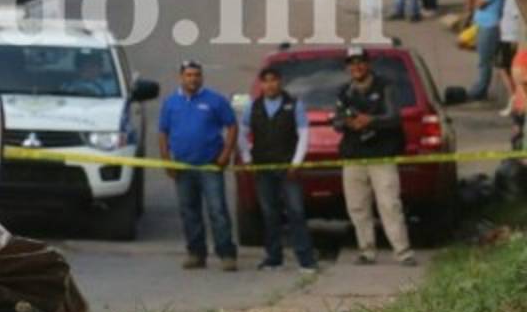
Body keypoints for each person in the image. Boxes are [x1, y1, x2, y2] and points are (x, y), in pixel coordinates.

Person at [334, 47, 415, 266]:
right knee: (357, 206)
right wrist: (348, 122)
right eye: (351, 63)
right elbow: (336, 121)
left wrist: (371, 120)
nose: (356, 67)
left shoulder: (385, 86)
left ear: (368, 64)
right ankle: (366, 251)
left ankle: (403, 252)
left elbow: (394, 117)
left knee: (389, 204)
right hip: (353, 155)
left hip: (381, 154)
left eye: (360, 62)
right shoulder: (344, 91)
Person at [158, 60, 239, 271]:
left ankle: (227, 254)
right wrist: (166, 160)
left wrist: (225, 154)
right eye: (189, 75)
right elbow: (163, 132)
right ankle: (196, 253)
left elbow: (232, 126)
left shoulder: (215, 100)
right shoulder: (171, 103)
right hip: (183, 167)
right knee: (189, 211)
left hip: (210, 166)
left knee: (217, 210)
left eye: (196, 75)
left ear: (201, 77)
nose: (193, 79)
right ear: (181, 77)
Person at [239, 68, 317, 273]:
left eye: (274, 81)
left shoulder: (294, 105)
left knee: (296, 212)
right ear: (261, 84)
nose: (270, 85)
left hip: (287, 167)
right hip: (263, 168)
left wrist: (296, 163)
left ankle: (306, 260)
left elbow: (304, 135)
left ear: (280, 82)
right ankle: (274, 258)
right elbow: (242, 133)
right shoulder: (253, 107)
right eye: (266, 81)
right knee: (269, 213)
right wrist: (247, 159)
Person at [467, 0, 506, 101]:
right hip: (485, 25)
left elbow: (480, 3)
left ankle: (481, 89)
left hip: (489, 26)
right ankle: (482, 87)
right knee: (485, 59)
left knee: (485, 60)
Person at [498, 0, 521, 117]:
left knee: (507, 69)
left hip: (511, 39)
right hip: (507, 37)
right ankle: (513, 97)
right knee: (503, 68)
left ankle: (514, 97)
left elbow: (518, 17)